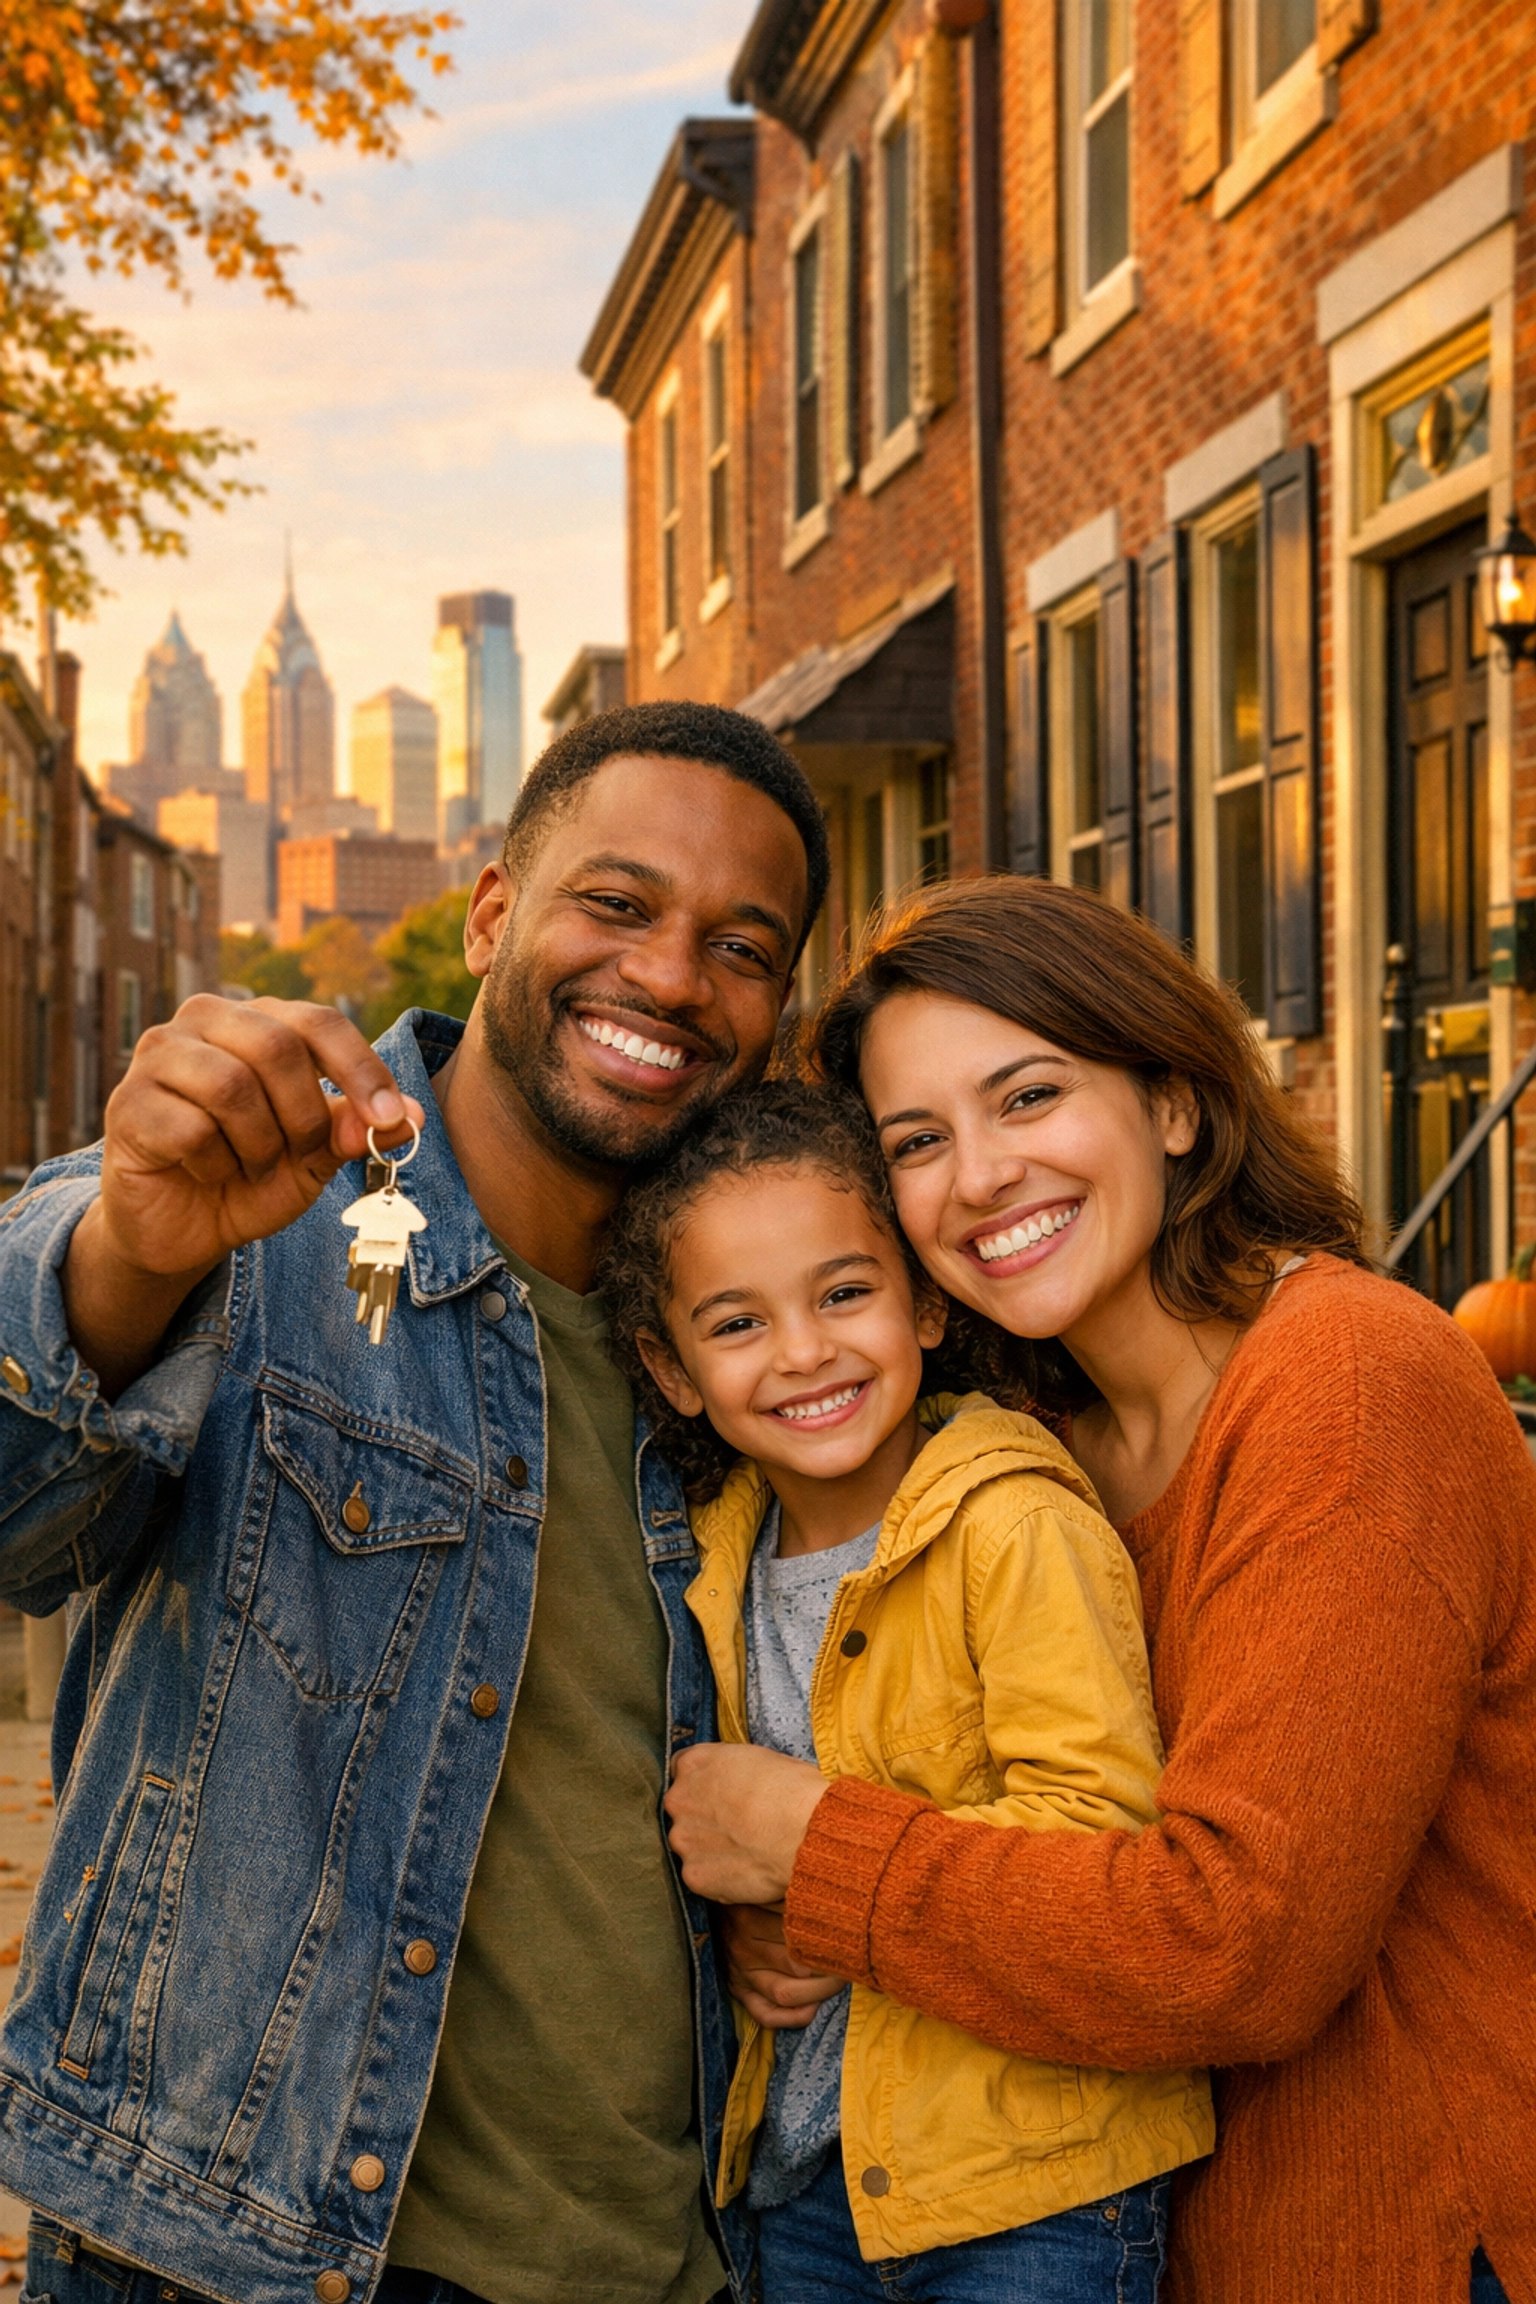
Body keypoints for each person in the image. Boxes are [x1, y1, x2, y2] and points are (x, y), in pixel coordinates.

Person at [0, 702, 828, 2304]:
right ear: (495, 913)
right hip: (235, 2253)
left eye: (742, 944)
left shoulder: (768, 1351)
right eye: (617, 903)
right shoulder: (257, 1214)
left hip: (687, 2261)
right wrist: (130, 1254)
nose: (669, 975)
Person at [662, 877, 1536, 2304]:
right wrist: (799, 1917)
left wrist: (819, 1856)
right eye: (921, 1143)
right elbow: (982, 1842)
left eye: (1029, 1097)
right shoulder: (1022, 1453)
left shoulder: (1351, 1387)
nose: (984, 1175)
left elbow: (1236, 1945)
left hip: (1411, 2241)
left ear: (1174, 1102)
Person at [606, 1079, 1212, 2304]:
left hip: (1032, 2188)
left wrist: (818, 1869)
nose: (805, 1351)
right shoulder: (705, 1561)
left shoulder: (1014, 1528)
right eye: (736, 1325)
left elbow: (1102, 1840)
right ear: (669, 1370)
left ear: (927, 1303)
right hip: (802, 2185)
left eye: (844, 1294)